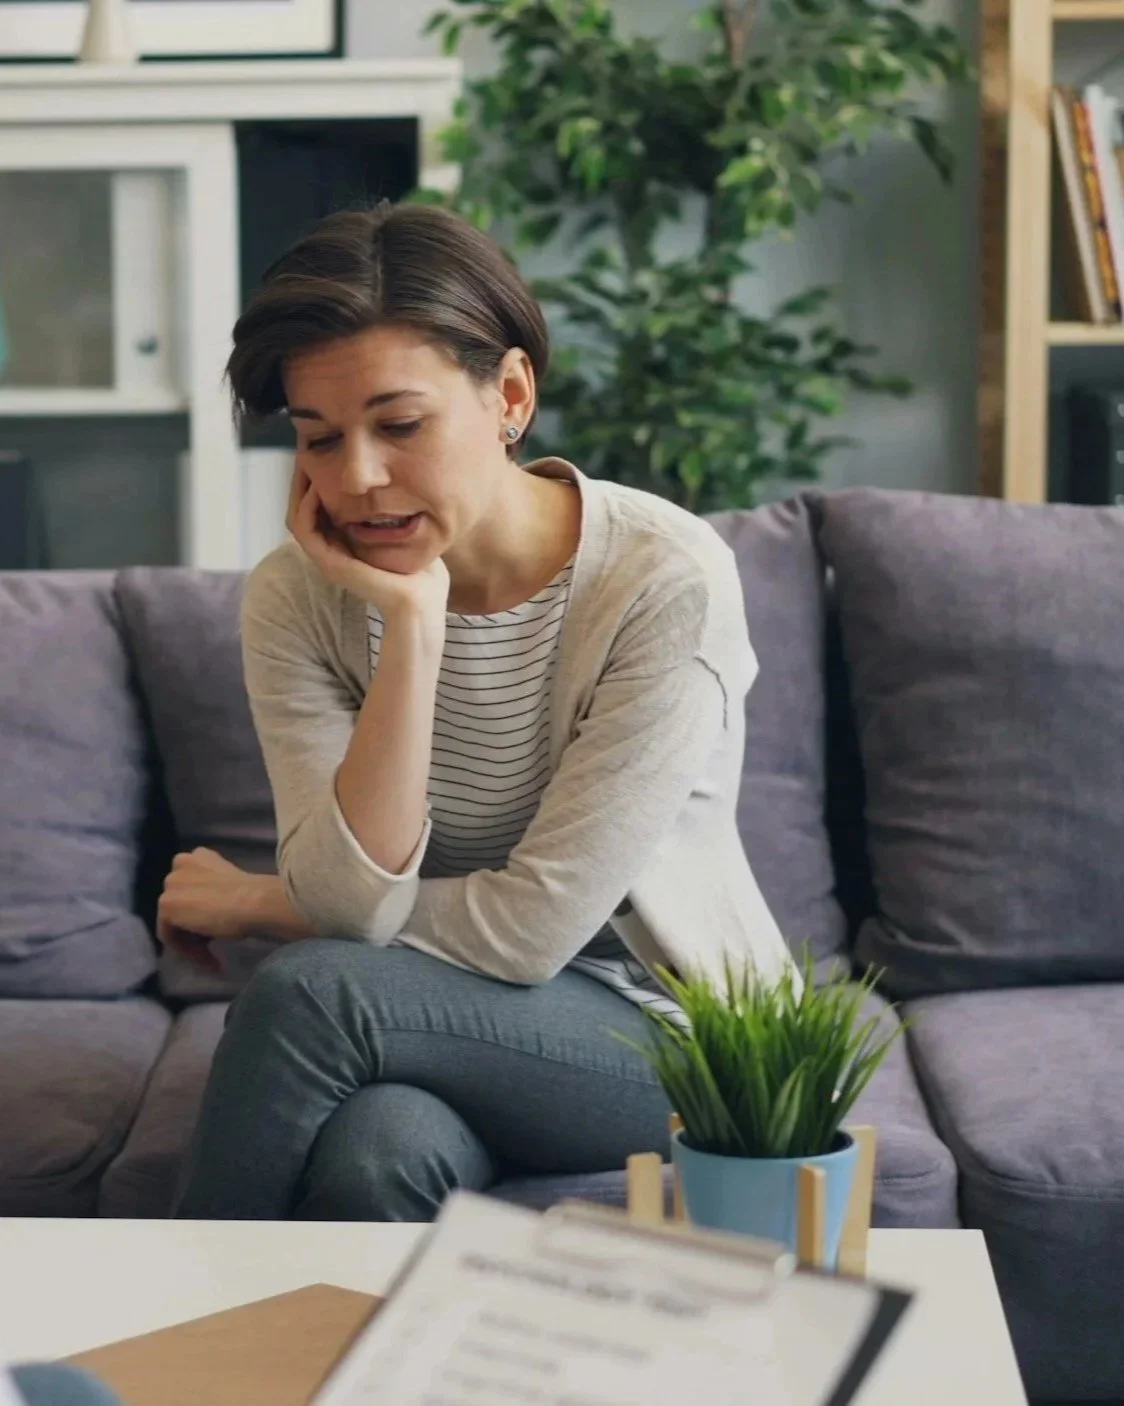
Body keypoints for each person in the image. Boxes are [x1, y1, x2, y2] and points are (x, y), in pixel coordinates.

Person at [162, 201, 795, 1222]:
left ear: (508, 392)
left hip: (676, 1039)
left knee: (312, 990)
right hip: (445, 1019)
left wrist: (257, 902)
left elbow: (525, 931)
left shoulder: (661, 579)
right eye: (318, 439)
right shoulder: (301, 597)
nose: (357, 478)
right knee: (376, 1156)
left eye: (398, 425)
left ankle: (162, 1364)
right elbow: (350, 901)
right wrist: (413, 623)